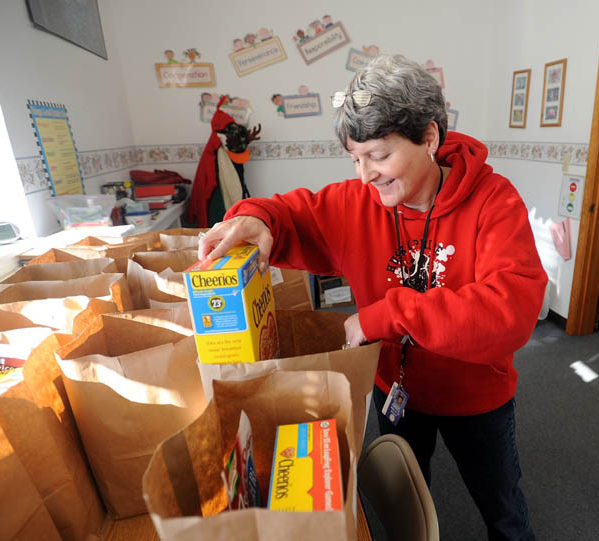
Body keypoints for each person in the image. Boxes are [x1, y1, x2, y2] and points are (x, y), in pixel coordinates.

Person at [198, 54, 546, 540]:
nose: (366, 175)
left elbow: (508, 313)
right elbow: (289, 213)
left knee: (503, 508)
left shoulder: (494, 200)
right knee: (405, 507)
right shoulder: (355, 202)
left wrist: (384, 316)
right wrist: (255, 216)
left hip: (477, 398)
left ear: (429, 137)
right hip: (396, 390)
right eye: (355, 159)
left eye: (379, 156)